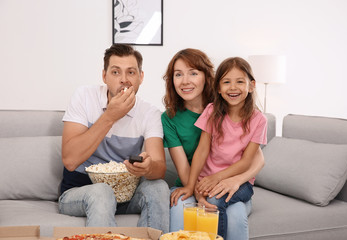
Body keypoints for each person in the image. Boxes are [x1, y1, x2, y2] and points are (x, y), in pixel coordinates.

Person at [58, 44, 169, 233]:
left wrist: (148, 167)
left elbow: (159, 167)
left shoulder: (149, 113)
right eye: (116, 72)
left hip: (126, 194)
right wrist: (110, 116)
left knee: (158, 186)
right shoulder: (84, 96)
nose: (124, 80)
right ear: (104, 76)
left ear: (141, 77)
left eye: (131, 72)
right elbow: (69, 160)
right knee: (103, 191)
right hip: (79, 192)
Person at [162, 49, 265, 240]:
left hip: (232, 183)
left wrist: (233, 180)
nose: (185, 81)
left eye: (193, 73)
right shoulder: (205, 112)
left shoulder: (229, 104)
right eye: (178, 74)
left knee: (232, 213)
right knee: (181, 209)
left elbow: (256, 159)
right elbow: (200, 153)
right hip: (200, 184)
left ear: (206, 77)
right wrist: (198, 191)